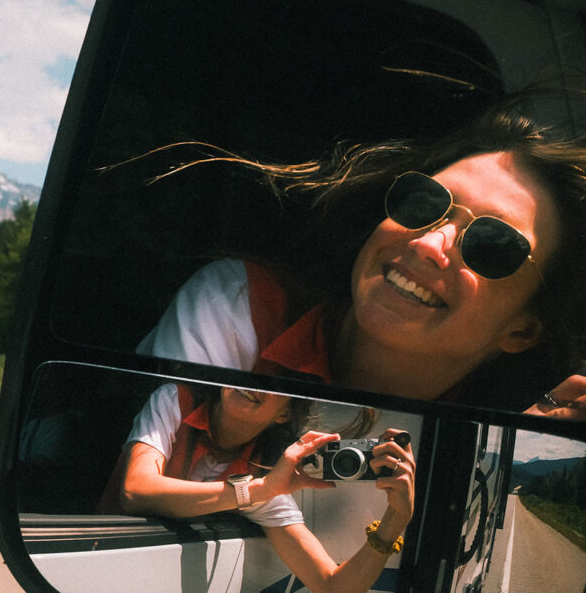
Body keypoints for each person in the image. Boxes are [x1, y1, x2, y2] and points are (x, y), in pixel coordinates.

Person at [132, 98, 586, 418]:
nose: (428, 244)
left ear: (523, 329)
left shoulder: (492, 435)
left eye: (493, 244)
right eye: (426, 202)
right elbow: (145, 496)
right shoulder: (237, 307)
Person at [98, 381, 411, 593]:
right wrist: (257, 490)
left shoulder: (267, 478)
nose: (252, 380)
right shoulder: (175, 400)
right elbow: (135, 492)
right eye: (248, 366)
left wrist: (397, 519)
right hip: (98, 565)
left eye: (274, 381)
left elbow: (339, 592)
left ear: (285, 413)